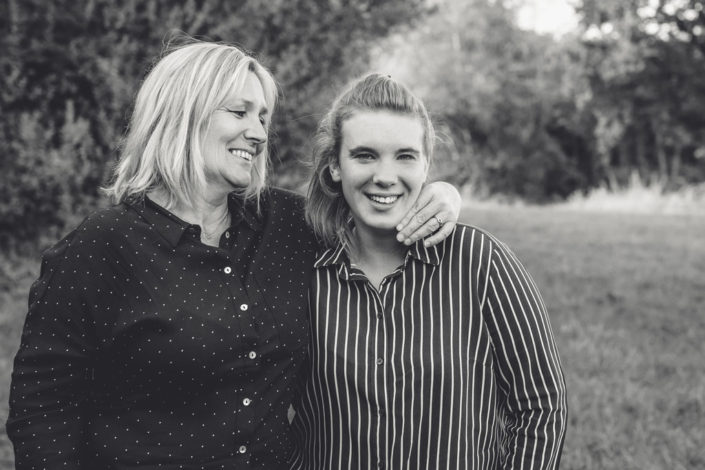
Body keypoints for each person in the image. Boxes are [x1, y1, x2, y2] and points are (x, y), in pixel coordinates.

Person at [6, 42, 461, 469]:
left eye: (263, 116)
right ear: (183, 115)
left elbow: (376, 201)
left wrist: (441, 194)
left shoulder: (287, 224)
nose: (259, 132)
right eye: (240, 112)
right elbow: (43, 408)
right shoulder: (100, 248)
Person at [289, 73, 568, 470]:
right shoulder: (300, 268)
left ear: (426, 166)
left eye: (405, 156)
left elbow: (541, 407)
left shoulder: (481, 262)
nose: (385, 176)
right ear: (335, 165)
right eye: (365, 155)